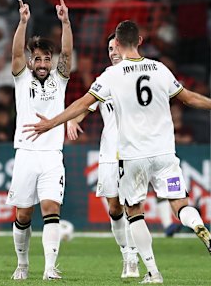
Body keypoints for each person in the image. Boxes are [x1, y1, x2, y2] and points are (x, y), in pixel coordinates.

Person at [24, 20, 211, 283]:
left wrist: (51, 122)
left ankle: (153, 271)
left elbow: (82, 103)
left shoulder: (112, 76)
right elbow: (189, 98)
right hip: (164, 155)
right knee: (180, 203)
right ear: (139, 41)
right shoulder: (160, 69)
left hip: (133, 157)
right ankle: (198, 226)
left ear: (119, 44)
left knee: (134, 212)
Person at [7, 0, 73, 281]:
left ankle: (49, 268)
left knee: (51, 208)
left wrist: (66, 22)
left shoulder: (59, 80)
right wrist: (23, 22)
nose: (43, 63)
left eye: (47, 58)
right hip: (25, 153)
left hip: (51, 155)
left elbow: (67, 53)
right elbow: (15, 55)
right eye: (39, 59)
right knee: (23, 214)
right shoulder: (23, 79)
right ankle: (22, 264)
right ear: (32, 62)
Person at [66, 33, 139, 278]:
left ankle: (134, 259)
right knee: (114, 207)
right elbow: (86, 105)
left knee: (132, 206)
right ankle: (126, 253)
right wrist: (72, 121)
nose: (113, 52)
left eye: (116, 47)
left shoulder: (142, 74)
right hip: (109, 152)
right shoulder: (105, 78)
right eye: (109, 48)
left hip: (136, 152)